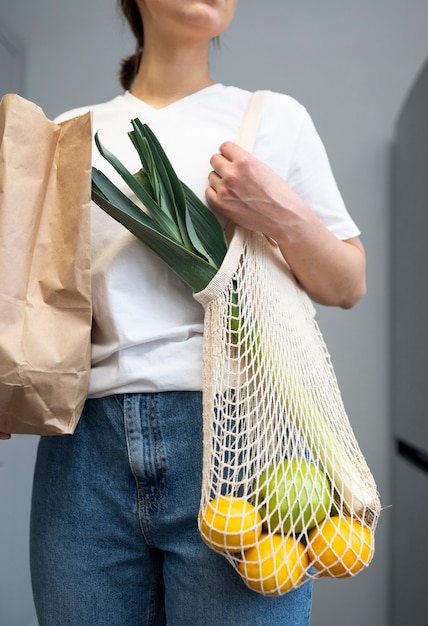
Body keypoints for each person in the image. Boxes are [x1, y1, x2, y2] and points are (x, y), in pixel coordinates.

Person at [3, 1, 367, 624]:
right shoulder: (70, 131)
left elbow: (346, 283)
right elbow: (36, 298)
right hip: (86, 453)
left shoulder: (272, 117)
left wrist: (278, 210)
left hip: (242, 446)